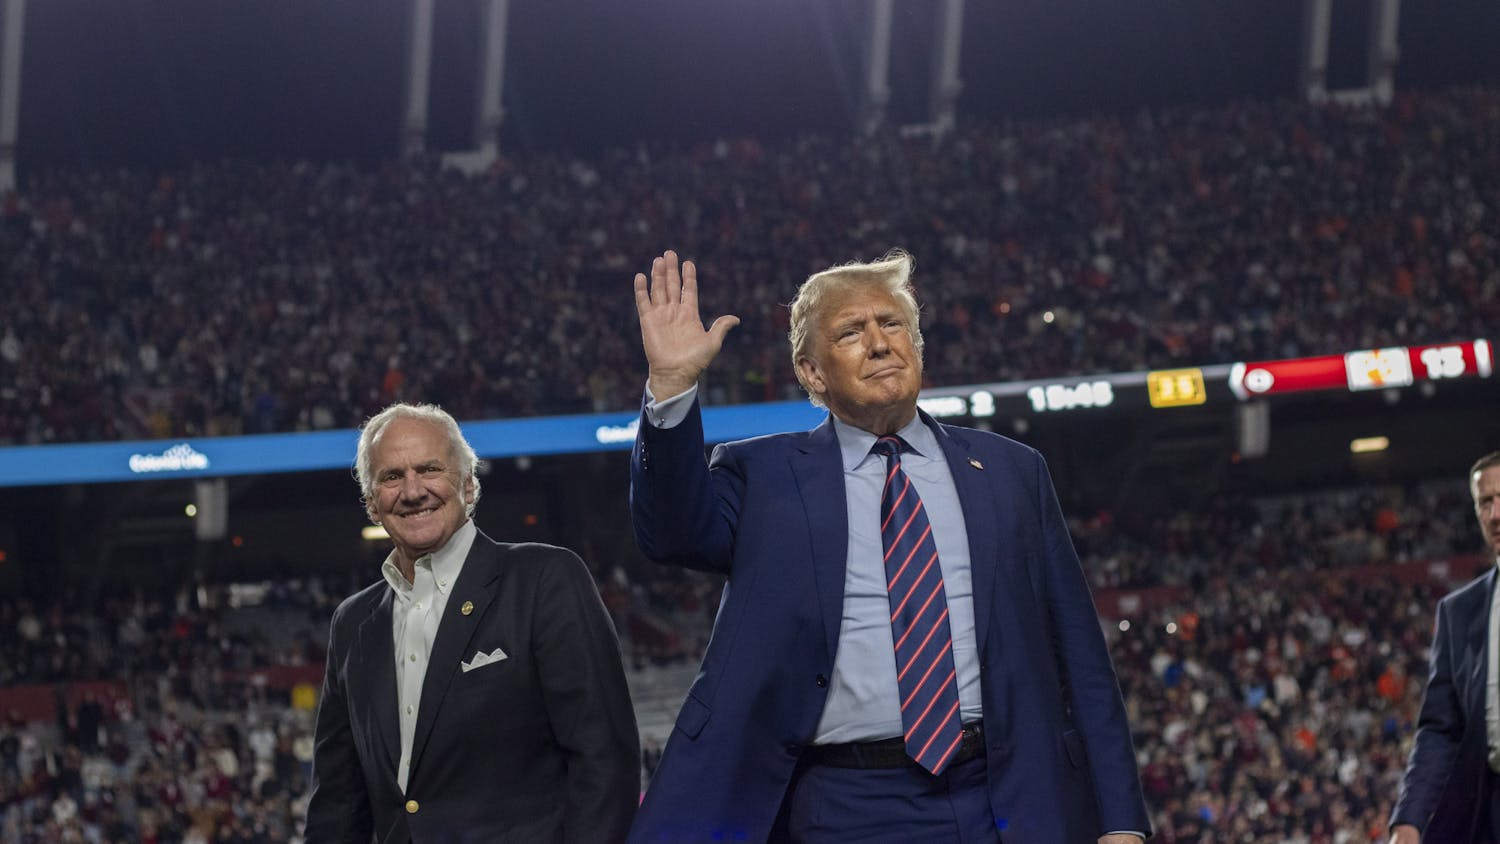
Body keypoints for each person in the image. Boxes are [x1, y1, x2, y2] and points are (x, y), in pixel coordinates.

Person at [627, 250, 1151, 843]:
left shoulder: (1012, 470)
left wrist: (1122, 822)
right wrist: (671, 388)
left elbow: (1081, 657)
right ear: (813, 372)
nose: (878, 343)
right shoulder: (761, 474)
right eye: (850, 332)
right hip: (840, 803)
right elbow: (670, 534)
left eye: (892, 324)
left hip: (1005, 794)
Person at [305, 402, 640, 843]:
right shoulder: (352, 623)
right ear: (371, 503)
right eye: (391, 477)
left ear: (467, 483)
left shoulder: (543, 579)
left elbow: (604, 762)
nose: (412, 491)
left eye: (429, 469)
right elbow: (336, 805)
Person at [1390, 451, 1500, 843]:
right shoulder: (1460, 612)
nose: (1495, 514)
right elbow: (1440, 729)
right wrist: (1409, 820)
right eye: (1484, 502)